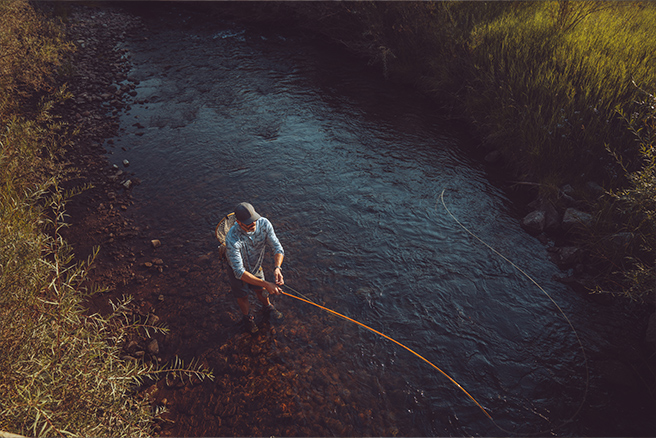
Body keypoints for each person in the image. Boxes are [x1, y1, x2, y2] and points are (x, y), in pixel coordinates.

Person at [224, 202, 285, 333]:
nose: (253, 224)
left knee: (261, 289)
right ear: (239, 223)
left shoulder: (264, 224)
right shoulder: (232, 238)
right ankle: (247, 318)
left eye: (254, 220)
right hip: (237, 271)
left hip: (256, 266)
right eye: (248, 223)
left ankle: (268, 306)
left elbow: (277, 248)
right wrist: (268, 283)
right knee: (243, 296)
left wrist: (277, 268)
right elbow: (239, 272)